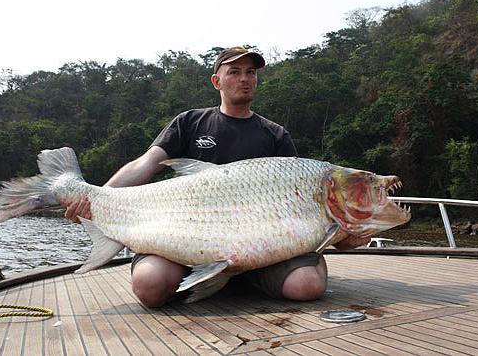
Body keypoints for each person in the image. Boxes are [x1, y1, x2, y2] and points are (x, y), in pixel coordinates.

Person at [65, 46, 370, 307]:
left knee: (307, 285)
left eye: (250, 72)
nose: (244, 78)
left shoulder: (275, 134)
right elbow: (146, 163)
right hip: (187, 241)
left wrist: (346, 237)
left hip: (265, 250)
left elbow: (303, 209)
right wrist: (96, 195)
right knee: (150, 286)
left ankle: (244, 278)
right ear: (217, 81)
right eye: (234, 71)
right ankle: (213, 278)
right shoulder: (189, 122)